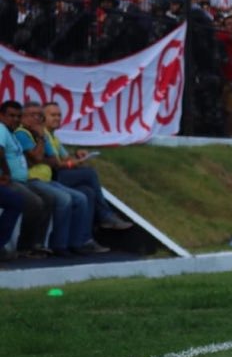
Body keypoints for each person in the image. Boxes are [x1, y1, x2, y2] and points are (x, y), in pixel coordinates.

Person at [15, 102, 108, 257]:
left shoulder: (46, 135)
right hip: (32, 179)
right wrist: (41, 146)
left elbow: (53, 160)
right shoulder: (23, 133)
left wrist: (71, 156)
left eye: (39, 115)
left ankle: (78, 242)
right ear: (23, 117)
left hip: (47, 178)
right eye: (32, 115)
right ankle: (57, 245)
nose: (37, 118)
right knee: (68, 194)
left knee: (83, 196)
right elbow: (40, 158)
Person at [44, 102, 134, 231]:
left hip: (58, 174)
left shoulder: (53, 136)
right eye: (53, 115)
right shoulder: (43, 135)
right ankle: (105, 215)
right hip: (51, 177)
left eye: (59, 115)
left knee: (88, 192)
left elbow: (65, 157)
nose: (57, 118)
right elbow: (57, 164)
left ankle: (84, 240)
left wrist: (77, 155)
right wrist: (72, 163)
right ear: (43, 117)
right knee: (89, 173)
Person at [0, 100, 52, 257]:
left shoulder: (11, 133)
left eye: (18, 116)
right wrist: (7, 173)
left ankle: (33, 244)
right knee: (33, 202)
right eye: (11, 116)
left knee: (48, 198)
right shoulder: (1, 129)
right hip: (10, 181)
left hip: (21, 180)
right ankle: (24, 246)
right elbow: (0, 152)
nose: (15, 119)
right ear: (1, 116)